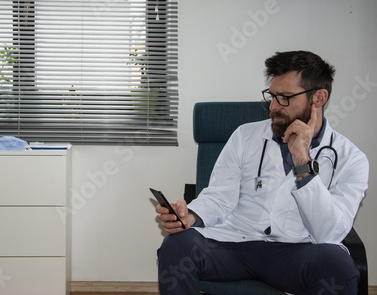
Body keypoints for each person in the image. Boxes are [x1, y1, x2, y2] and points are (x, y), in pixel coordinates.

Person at [156, 50, 369, 295]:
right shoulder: (245, 136)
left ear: (319, 98)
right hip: (235, 245)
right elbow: (218, 197)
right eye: (272, 95)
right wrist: (191, 216)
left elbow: (329, 234)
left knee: (337, 264)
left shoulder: (351, 159)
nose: (273, 107)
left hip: (297, 252)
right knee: (177, 245)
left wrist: (302, 161)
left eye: (285, 98)